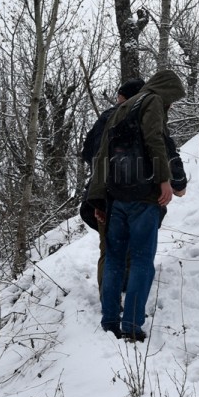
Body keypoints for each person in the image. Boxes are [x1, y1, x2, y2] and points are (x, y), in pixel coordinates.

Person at [87, 69, 186, 342]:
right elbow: (155, 139)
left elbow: (102, 154)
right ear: (165, 90)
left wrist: (99, 198)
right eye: (172, 98)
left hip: (116, 197)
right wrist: (164, 180)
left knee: (115, 259)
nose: (171, 104)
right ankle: (131, 325)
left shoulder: (121, 108)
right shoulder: (151, 100)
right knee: (142, 260)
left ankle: (109, 321)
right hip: (143, 198)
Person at [80, 78, 145, 291]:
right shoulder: (141, 115)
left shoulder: (106, 117)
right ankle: (122, 291)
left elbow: (88, 152)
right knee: (130, 243)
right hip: (130, 191)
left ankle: (109, 296)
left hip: (100, 191)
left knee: (108, 247)